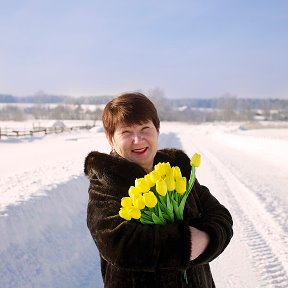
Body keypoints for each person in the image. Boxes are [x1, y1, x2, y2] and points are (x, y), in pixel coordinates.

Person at [84, 92, 233, 288]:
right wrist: (184, 246)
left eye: (145, 128)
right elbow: (117, 243)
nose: (138, 140)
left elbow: (219, 214)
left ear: (157, 130)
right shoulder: (107, 180)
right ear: (111, 138)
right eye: (126, 132)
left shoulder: (177, 169)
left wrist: (207, 238)